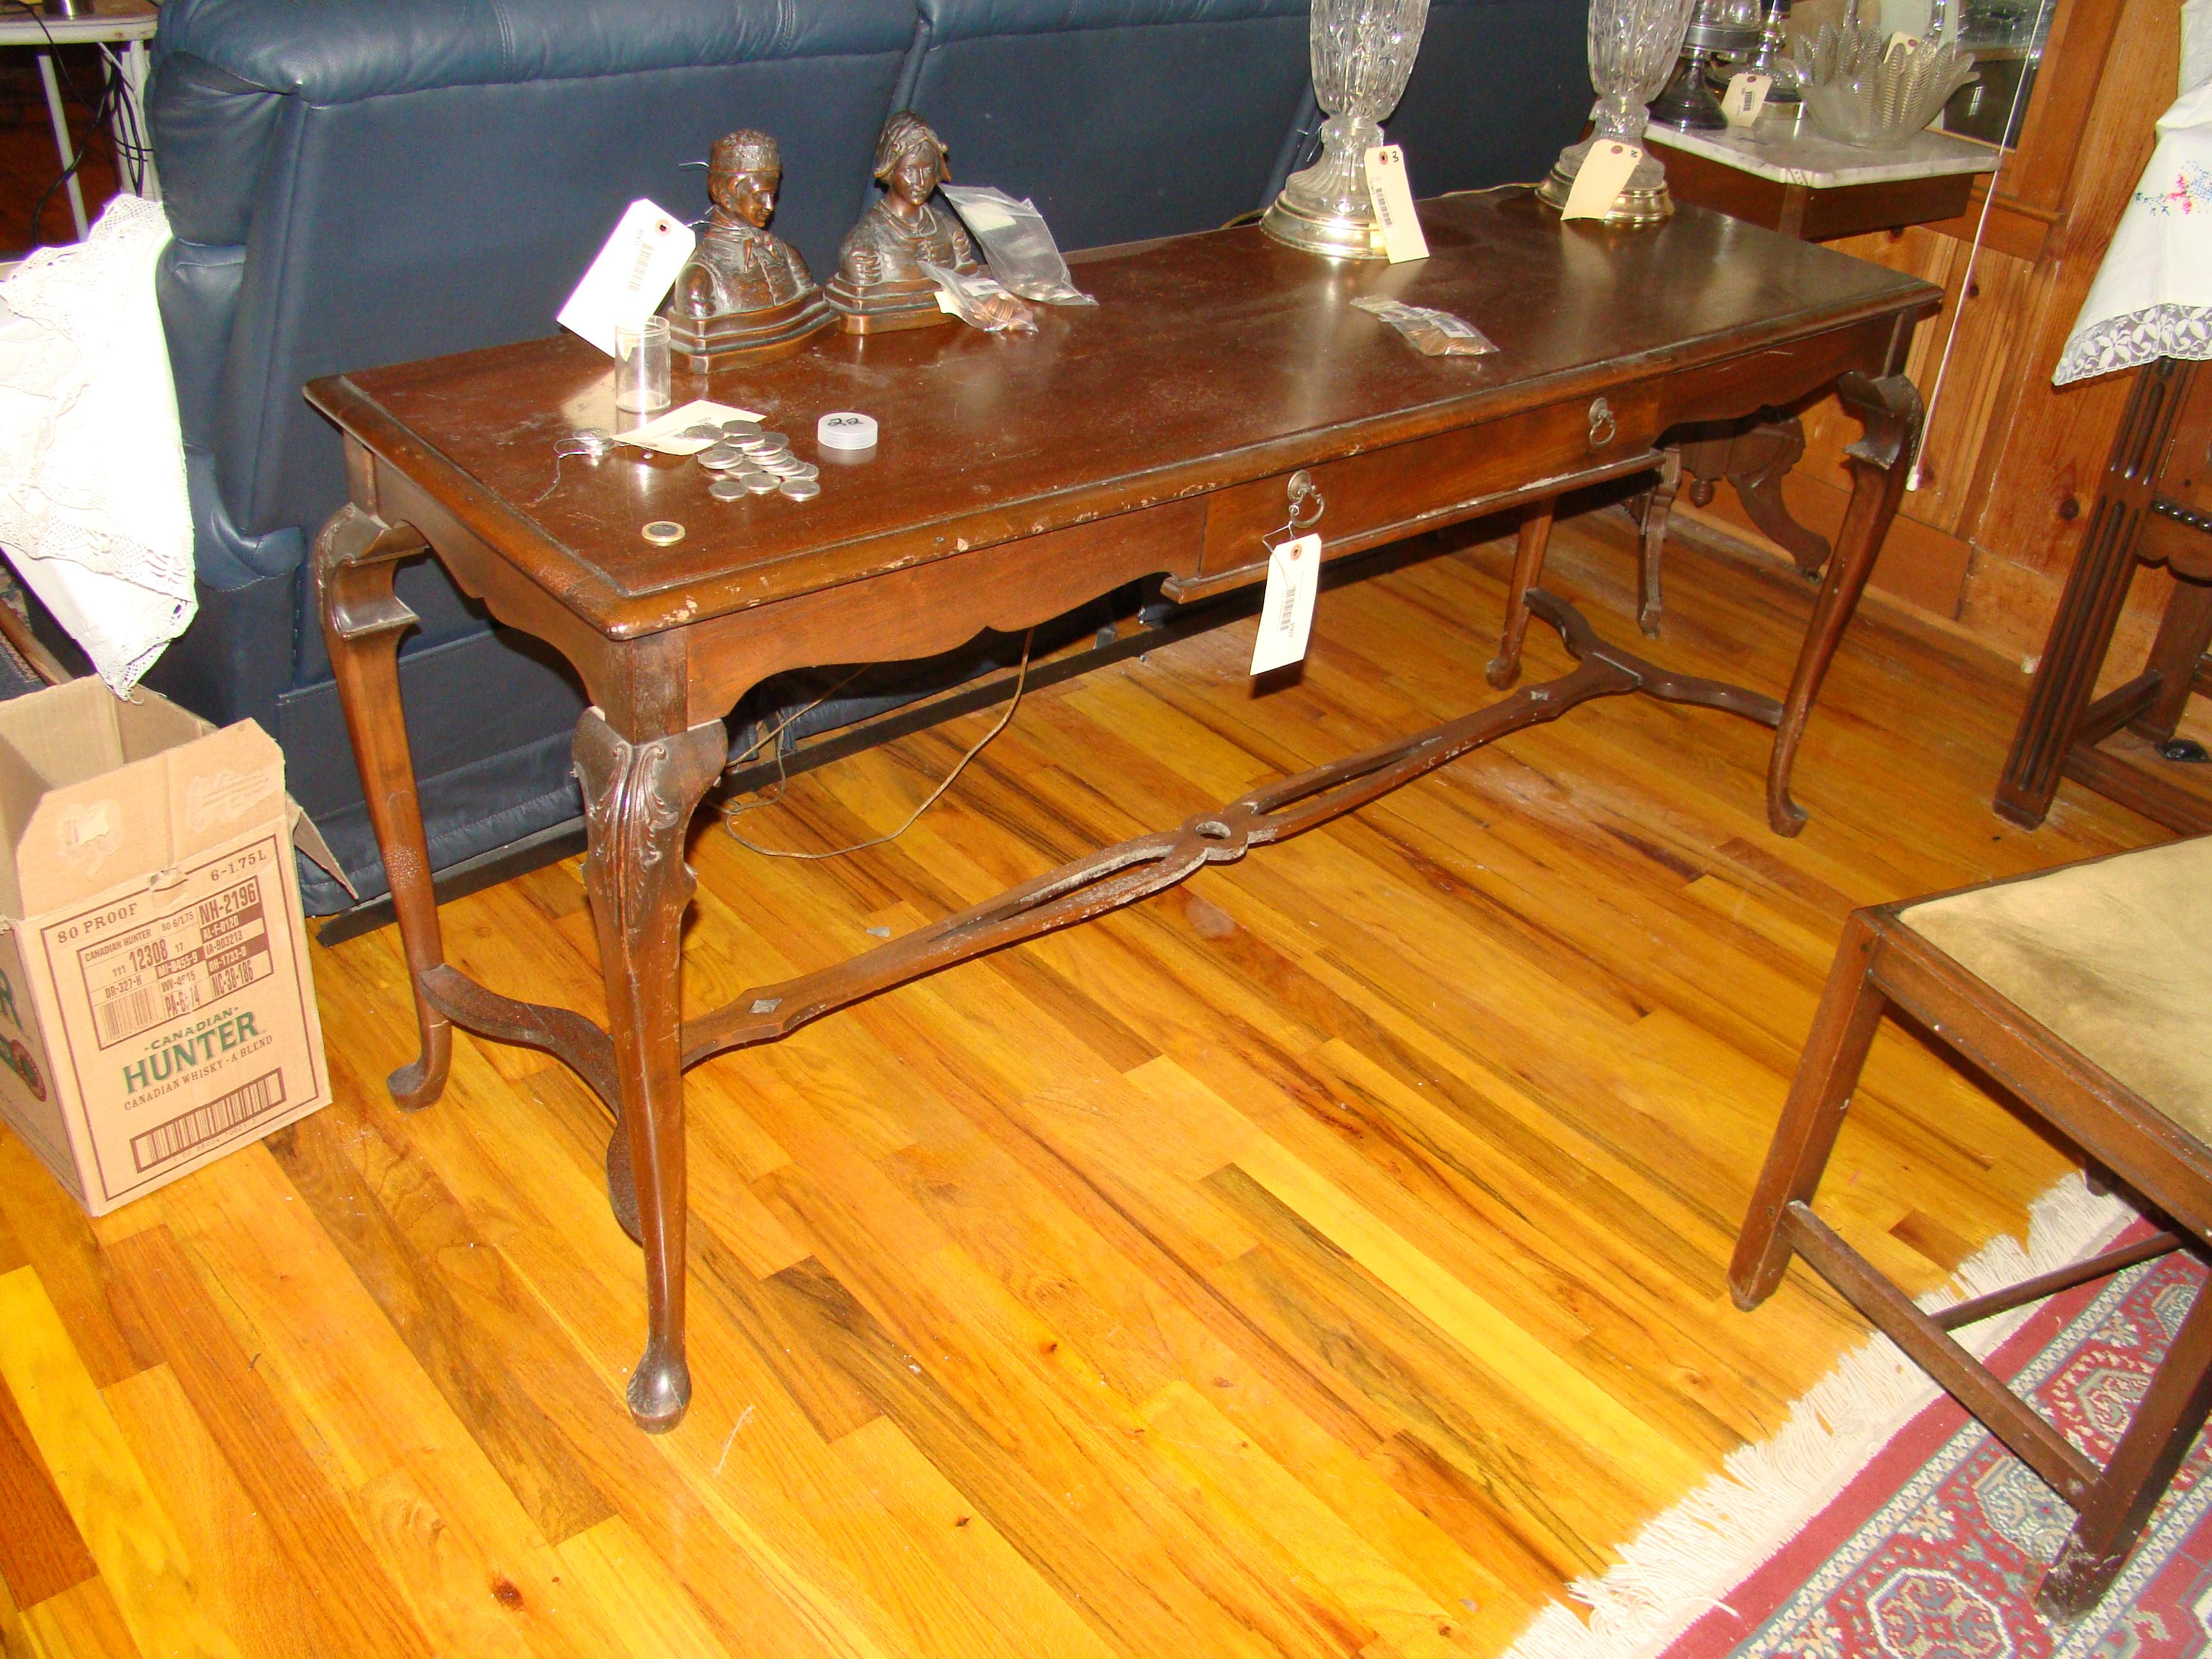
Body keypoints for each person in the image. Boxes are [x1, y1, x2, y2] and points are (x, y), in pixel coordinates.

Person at [828, 111, 1029, 331]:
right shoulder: (864, 245)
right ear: (890, 171)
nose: (920, 181)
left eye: (927, 170)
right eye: (910, 171)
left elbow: (970, 279)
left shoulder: (951, 231)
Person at [664, 129, 830, 361]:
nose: (770, 206)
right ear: (725, 193)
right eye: (760, 195)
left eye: (773, 194)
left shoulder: (788, 256)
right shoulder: (699, 279)